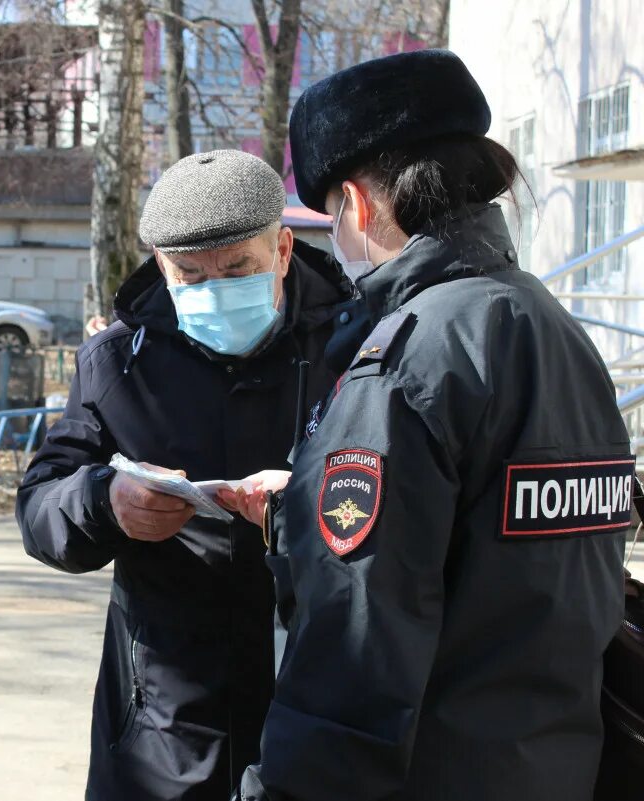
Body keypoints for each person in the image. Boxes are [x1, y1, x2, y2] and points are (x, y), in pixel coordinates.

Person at [221, 50, 632, 801]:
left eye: (331, 218)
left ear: (359, 203)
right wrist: (304, 509)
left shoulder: (407, 360)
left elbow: (353, 652)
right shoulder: (554, 329)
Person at [17, 150, 351, 800]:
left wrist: (305, 506)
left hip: (317, 698)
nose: (214, 290)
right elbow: (40, 506)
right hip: (161, 717)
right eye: (189, 275)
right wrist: (104, 502)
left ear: (283, 249)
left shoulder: (354, 345)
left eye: (237, 269)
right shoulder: (118, 360)